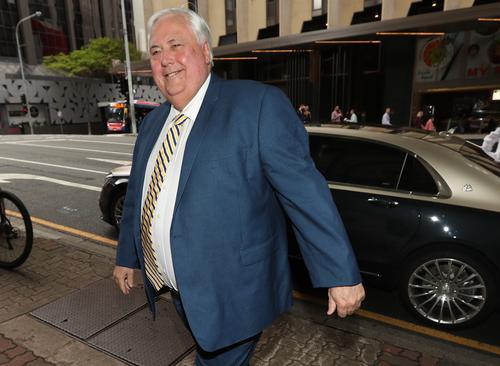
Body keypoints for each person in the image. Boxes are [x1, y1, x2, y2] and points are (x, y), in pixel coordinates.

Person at [112, 8, 365, 365]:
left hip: (235, 290)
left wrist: (340, 273)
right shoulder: (153, 124)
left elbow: (304, 193)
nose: (165, 59)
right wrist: (128, 256)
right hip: (179, 288)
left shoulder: (256, 105)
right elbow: (139, 195)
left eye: (175, 45)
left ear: (205, 52)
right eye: (155, 52)